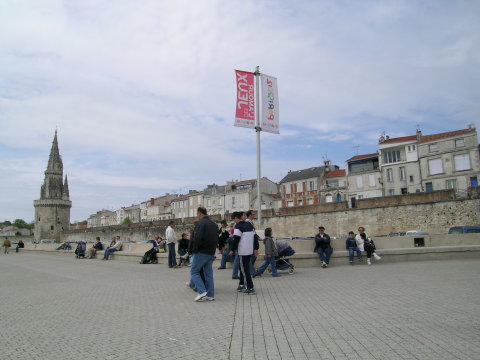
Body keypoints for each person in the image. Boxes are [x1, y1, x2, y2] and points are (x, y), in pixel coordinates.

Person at [190, 207, 218, 302]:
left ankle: (202, 291)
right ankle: (211, 295)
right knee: (208, 274)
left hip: (202, 252)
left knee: (194, 271)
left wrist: (195, 250)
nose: (197, 216)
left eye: (197, 214)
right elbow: (216, 239)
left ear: (199, 213)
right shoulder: (214, 225)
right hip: (211, 252)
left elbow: (197, 238)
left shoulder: (200, 224)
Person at [229, 211, 259, 295]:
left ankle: (250, 287)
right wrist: (256, 248)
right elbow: (255, 237)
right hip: (249, 250)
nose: (234, 222)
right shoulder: (249, 224)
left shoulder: (238, 226)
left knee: (244, 269)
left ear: (235, 218)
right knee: (242, 266)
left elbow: (236, 239)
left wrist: (232, 249)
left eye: (233, 220)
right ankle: (241, 284)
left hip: (243, 251)